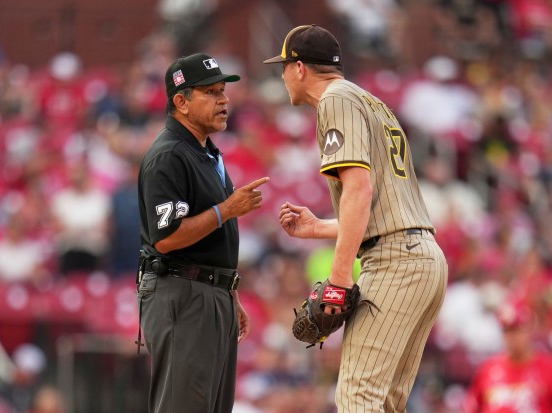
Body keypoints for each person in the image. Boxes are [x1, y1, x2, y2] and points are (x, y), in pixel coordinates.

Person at [264, 25, 449, 413]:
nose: (282, 75)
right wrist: (320, 227)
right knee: (386, 403)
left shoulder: (335, 100)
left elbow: (359, 190)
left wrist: (340, 277)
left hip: (396, 261)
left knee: (356, 398)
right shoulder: (371, 101)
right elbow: (382, 206)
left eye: (284, 66)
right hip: (421, 255)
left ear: (299, 68)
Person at [137, 52, 269, 413]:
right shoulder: (169, 155)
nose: (224, 100)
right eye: (210, 92)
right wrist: (227, 209)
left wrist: (229, 290)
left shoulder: (206, 153)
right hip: (182, 294)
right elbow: (167, 238)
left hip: (209, 292)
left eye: (223, 91)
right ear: (181, 101)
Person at [463, 302, 552, 413]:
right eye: (507, 331)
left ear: (528, 329)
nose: (512, 337)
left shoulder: (551, 368)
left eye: (517, 330)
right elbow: (470, 408)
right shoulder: (488, 370)